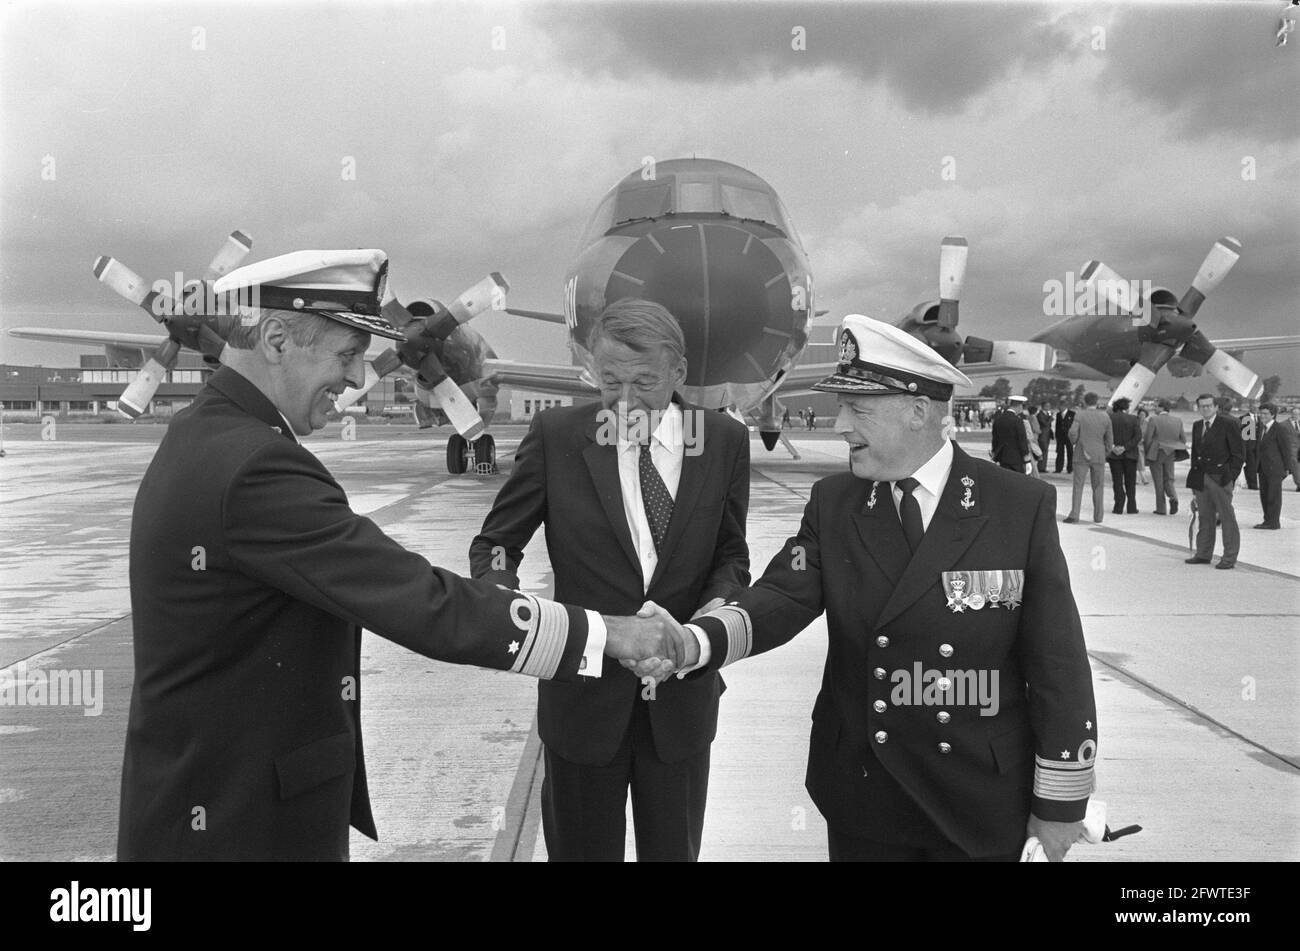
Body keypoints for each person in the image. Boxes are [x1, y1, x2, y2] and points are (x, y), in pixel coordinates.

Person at [119, 251, 676, 861]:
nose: (358, 376)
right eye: (344, 354)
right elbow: (420, 601)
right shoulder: (256, 467)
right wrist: (608, 635)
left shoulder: (209, 434)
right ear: (276, 339)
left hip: (217, 804)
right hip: (239, 822)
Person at [630, 315, 1097, 862]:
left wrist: (1061, 805)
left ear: (918, 410)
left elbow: (1057, 664)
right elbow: (780, 596)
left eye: (859, 409)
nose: (840, 426)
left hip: (981, 802)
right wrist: (693, 642)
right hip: (866, 798)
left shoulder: (1017, 507)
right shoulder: (836, 504)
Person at [469, 298, 750, 862]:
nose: (626, 401)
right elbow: (496, 544)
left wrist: (700, 628)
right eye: (610, 380)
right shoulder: (557, 436)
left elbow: (731, 555)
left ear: (679, 372)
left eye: (645, 382)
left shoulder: (722, 440)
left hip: (681, 702)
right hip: (582, 703)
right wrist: (515, 609)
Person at [1185, 394, 1243, 569]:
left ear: (1216, 407)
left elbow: (1238, 453)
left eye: (1209, 406)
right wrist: (1195, 481)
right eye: (1202, 406)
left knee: (1226, 518)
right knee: (1205, 517)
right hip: (1201, 477)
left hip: (1220, 478)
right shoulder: (1197, 426)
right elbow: (1196, 454)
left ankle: (1229, 557)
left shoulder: (1228, 424)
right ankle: (1203, 553)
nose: (1205, 409)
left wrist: (1230, 476)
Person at [1064, 392, 1113, 524]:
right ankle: (1098, 516)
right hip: (1099, 454)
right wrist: (1105, 451)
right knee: (1098, 486)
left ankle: (1074, 515)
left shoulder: (1080, 414)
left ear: (1085, 402)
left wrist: (1075, 442)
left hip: (1081, 453)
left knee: (1078, 485)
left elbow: (1072, 432)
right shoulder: (1105, 416)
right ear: (1097, 402)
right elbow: (1109, 438)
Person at [1255, 403, 1296, 529]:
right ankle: (1267, 520)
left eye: (1265, 413)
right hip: (1262, 468)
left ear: (1273, 415)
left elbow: (1286, 449)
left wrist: (1288, 468)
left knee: (1273, 496)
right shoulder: (1260, 428)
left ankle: (1273, 522)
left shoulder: (1279, 429)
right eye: (1261, 413)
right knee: (1264, 495)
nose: (1262, 416)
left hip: (1275, 468)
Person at [1143, 399, 1185, 515]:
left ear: (1162, 408)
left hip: (1156, 452)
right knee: (1169, 478)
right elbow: (1183, 439)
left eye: (1156, 407)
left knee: (1158, 481)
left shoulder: (1154, 420)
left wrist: (1147, 452)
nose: (1154, 409)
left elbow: (1148, 438)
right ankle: (1173, 497)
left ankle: (1161, 508)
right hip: (1170, 452)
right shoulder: (1178, 420)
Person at [1106, 397, 1141, 514]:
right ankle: (1132, 506)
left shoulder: (1109, 418)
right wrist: (1125, 447)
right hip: (1130, 454)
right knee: (1130, 482)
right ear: (1126, 407)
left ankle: (1118, 506)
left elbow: (1105, 435)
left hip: (1114, 455)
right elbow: (1137, 437)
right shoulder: (1134, 419)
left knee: (1117, 481)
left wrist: (1113, 447)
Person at [990, 398, 1030, 472]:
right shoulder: (1017, 420)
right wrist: (1027, 460)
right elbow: (1022, 440)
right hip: (1016, 458)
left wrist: (994, 452)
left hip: (1002, 456)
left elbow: (995, 439)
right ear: (1019, 406)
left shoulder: (998, 419)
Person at [1239, 404, 1259, 491]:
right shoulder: (1244, 418)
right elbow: (1243, 434)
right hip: (1249, 446)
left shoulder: (1260, 417)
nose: (1255, 408)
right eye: (1254, 407)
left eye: (1257, 407)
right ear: (1250, 408)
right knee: (1251, 466)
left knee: (1253, 466)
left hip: (1258, 446)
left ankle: (1252, 483)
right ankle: (1253, 485)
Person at [1054, 401, 1076, 473]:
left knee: (1070, 453)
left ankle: (1070, 469)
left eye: (1059, 406)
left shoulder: (1072, 414)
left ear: (1064, 406)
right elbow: (1057, 426)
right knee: (1060, 453)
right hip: (1060, 437)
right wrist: (1056, 435)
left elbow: (1074, 425)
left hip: (1069, 436)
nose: (1058, 408)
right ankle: (1058, 468)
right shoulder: (1058, 414)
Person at [1034, 403, 1053, 473]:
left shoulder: (1047, 414)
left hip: (1047, 435)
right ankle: (1041, 467)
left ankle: (1043, 467)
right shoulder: (1040, 415)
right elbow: (1045, 424)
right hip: (1042, 436)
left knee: (1045, 451)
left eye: (1049, 406)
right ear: (1043, 406)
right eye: (1047, 406)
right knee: (1043, 451)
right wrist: (1050, 418)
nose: (1048, 407)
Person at [1135, 407, 1150, 485]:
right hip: (1135, 444)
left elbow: (1149, 434)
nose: (1142, 416)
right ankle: (1143, 478)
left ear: (1146, 415)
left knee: (1140, 457)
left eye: (1143, 414)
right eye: (1140, 414)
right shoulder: (1134, 422)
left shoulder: (1147, 424)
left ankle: (1138, 478)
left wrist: (1144, 439)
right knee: (1139, 458)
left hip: (1143, 444)